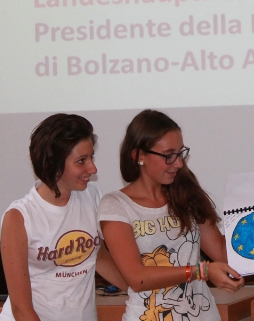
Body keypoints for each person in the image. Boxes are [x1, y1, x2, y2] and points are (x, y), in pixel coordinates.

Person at [99, 109, 244, 321]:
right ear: (139, 155)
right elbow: (137, 278)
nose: (178, 163)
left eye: (180, 153)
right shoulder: (116, 205)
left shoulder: (186, 194)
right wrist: (201, 271)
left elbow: (223, 254)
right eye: (168, 156)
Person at [0, 114, 125, 321]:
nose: (92, 168)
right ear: (54, 164)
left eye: (91, 157)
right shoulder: (19, 217)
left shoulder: (93, 196)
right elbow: (21, 308)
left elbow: (98, 256)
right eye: (81, 161)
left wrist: (145, 291)